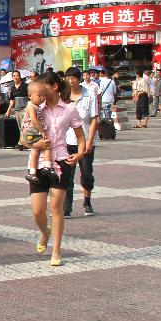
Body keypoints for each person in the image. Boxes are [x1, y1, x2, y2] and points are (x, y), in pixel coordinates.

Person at [23, 71, 86, 267]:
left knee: (56, 208)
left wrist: (80, 153)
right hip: (38, 162)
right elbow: (22, 138)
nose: (41, 92)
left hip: (61, 161)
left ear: (55, 87)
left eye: (44, 88)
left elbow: (80, 136)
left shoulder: (69, 109)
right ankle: (45, 232)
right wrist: (33, 144)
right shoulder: (34, 108)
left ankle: (56, 250)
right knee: (37, 211)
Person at [62, 67, 99, 218]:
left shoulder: (89, 94)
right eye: (68, 78)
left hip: (85, 140)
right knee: (67, 175)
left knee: (86, 174)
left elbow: (94, 119)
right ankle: (66, 207)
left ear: (79, 79)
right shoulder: (63, 95)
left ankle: (87, 202)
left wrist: (89, 141)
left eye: (73, 78)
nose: (70, 81)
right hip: (67, 140)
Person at [21, 81, 57, 186]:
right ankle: (47, 166)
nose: (42, 98)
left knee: (36, 150)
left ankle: (32, 172)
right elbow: (34, 120)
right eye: (39, 96)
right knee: (46, 145)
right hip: (32, 132)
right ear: (30, 96)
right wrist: (42, 131)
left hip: (32, 132)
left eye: (44, 95)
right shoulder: (31, 107)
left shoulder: (37, 107)